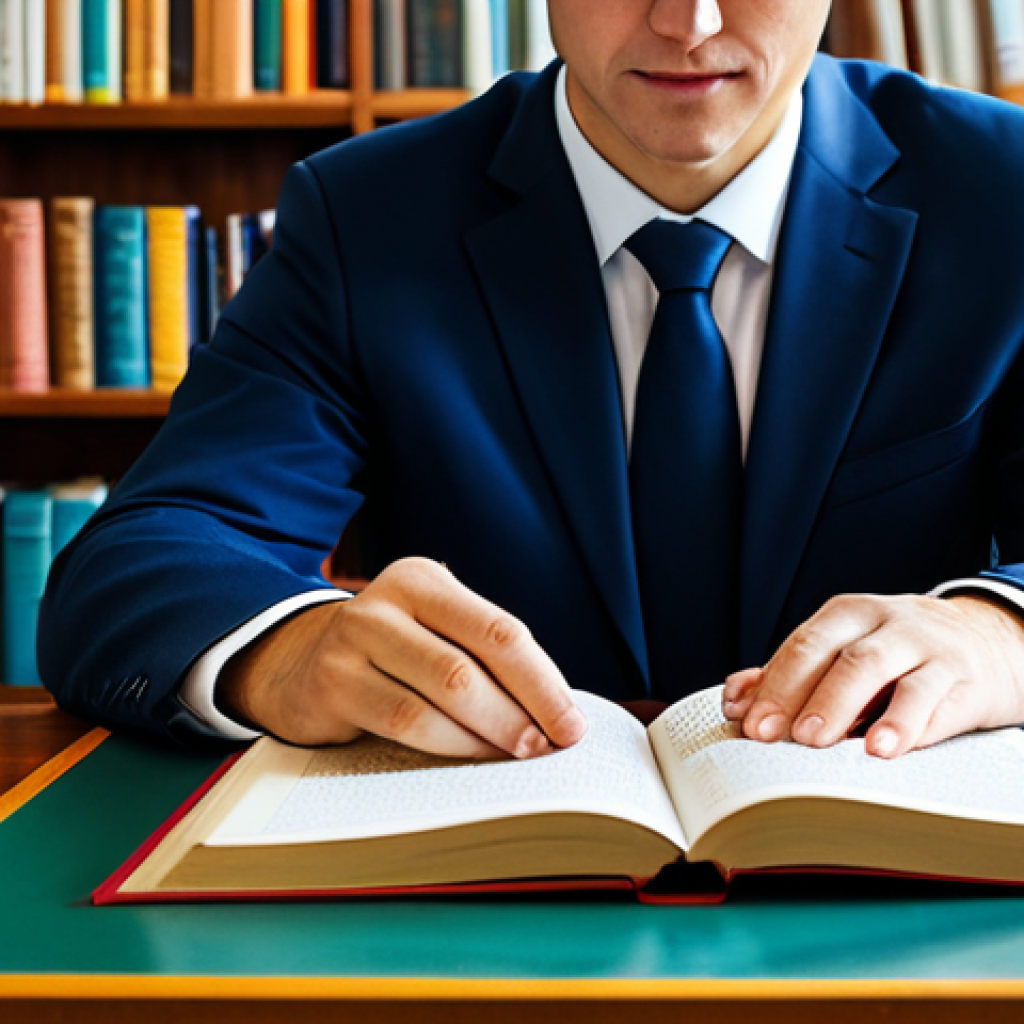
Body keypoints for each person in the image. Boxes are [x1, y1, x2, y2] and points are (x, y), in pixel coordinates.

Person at [40, 0, 1024, 762]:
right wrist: (288, 649)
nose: (688, 25)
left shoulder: (1001, 193)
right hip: (483, 905)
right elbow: (140, 561)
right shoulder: (363, 216)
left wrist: (998, 633)